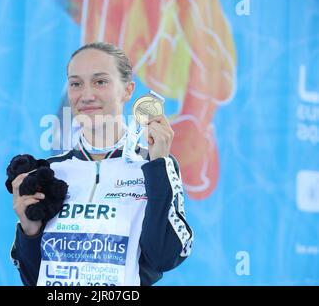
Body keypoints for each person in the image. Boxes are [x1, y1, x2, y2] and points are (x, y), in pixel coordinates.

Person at [10, 42, 193, 286]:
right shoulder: (50, 172)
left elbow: (164, 257)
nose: (86, 95)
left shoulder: (153, 167)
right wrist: (30, 230)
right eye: (76, 83)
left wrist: (158, 165)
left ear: (127, 90)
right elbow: (34, 279)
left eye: (100, 82)